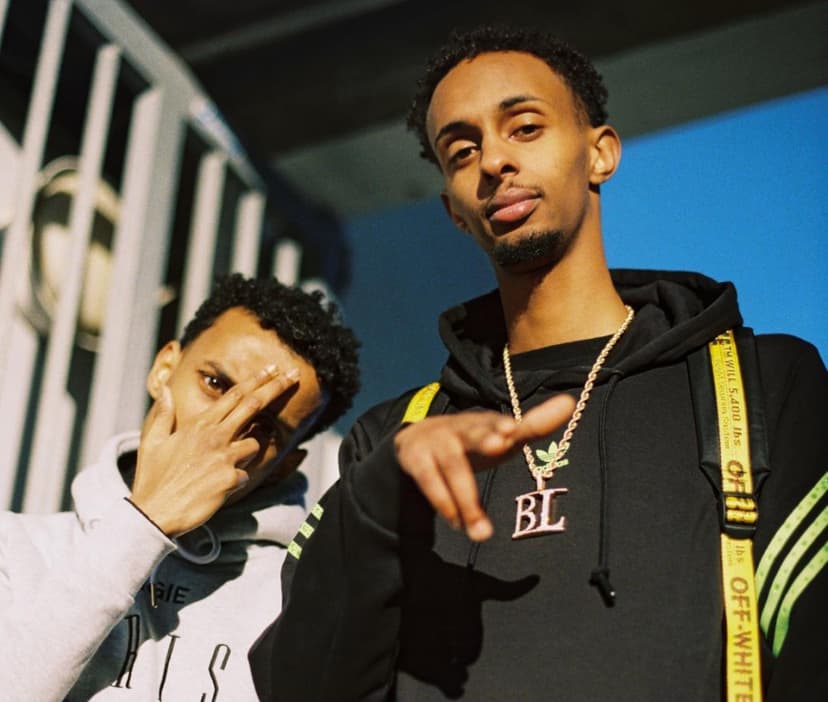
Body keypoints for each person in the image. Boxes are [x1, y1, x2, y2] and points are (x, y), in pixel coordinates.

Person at [249, 25, 827, 702]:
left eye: (524, 128)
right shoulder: (394, 438)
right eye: (462, 151)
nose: (494, 161)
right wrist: (379, 500)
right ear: (453, 211)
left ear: (600, 153)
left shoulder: (763, 385)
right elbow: (299, 688)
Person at [0, 273, 360, 701]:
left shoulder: (303, 606)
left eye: (264, 427)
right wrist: (144, 522)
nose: (223, 427)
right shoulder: (16, 546)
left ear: (286, 464)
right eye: (216, 385)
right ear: (164, 369)